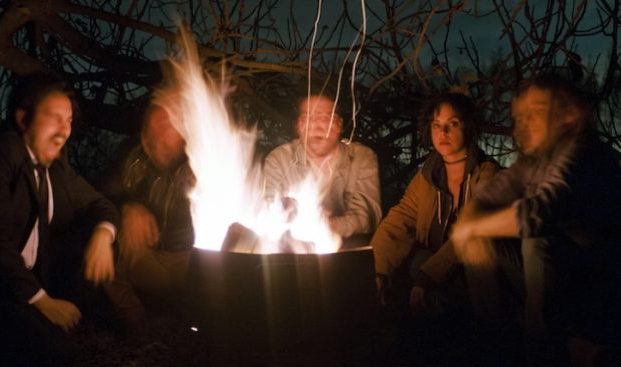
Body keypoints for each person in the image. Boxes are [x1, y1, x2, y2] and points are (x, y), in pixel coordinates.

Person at [0, 73, 118, 366]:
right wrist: (43, 301)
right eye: (54, 117)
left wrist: (102, 236)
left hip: (26, 282)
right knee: (57, 355)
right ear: (23, 120)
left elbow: (101, 205)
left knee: (101, 235)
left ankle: (67, 318)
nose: (64, 130)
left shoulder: (55, 167)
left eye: (69, 120)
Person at [451, 74, 621, 366]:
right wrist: (471, 228)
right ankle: (496, 343)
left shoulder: (584, 152)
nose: (523, 123)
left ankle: (544, 352)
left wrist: (471, 227)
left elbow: (538, 214)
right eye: (521, 115)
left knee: (537, 241)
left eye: (536, 112)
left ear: (568, 115)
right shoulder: (534, 161)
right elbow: (484, 199)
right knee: (482, 238)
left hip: (600, 289)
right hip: (563, 282)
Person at [371, 93, 499, 317]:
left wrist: (426, 279)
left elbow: (472, 231)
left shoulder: (486, 174)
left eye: (453, 124)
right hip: (429, 264)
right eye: (436, 125)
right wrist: (376, 271)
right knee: (407, 265)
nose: (443, 132)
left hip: (471, 272)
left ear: (468, 127)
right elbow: (400, 220)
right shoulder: (428, 176)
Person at [101, 97, 195, 342]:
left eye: (170, 124)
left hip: (194, 262)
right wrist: (126, 208)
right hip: (149, 258)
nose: (162, 133)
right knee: (103, 237)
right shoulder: (131, 155)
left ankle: (205, 325)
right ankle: (139, 326)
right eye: (155, 126)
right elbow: (102, 198)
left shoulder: (202, 158)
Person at [263, 88, 382, 246]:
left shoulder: (362, 158)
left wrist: (326, 225)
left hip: (346, 250)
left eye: (326, 118)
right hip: (291, 249)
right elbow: (269, 213)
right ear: (299, 125)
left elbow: (366, 217)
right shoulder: (279, 159)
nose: (317, 126)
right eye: (309, 118)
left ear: (339, 125)